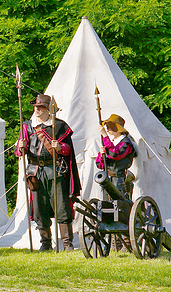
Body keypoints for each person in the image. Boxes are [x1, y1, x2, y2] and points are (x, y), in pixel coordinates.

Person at [15, 94, 81, 251]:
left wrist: (59, 148)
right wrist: (21, 146)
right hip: (35, 172)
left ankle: (67, 244)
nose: (37, 110)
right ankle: (45, 244)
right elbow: (19, 153)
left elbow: (68, 149)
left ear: (49, 110)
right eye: (36, 107)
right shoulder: (27, 126)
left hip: (55, 171)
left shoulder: (59, 126)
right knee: (39, 208)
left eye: (41, 107)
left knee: (62, 207)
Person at [95, 114, 137, 200]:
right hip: (107, 179)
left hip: (119, 180)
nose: (107, 129)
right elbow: (99, 165)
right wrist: (101, 155)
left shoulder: (126, 143)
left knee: (118, 206)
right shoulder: (111, 143)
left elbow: (115, 154)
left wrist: (105, 136)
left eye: (110, 126)